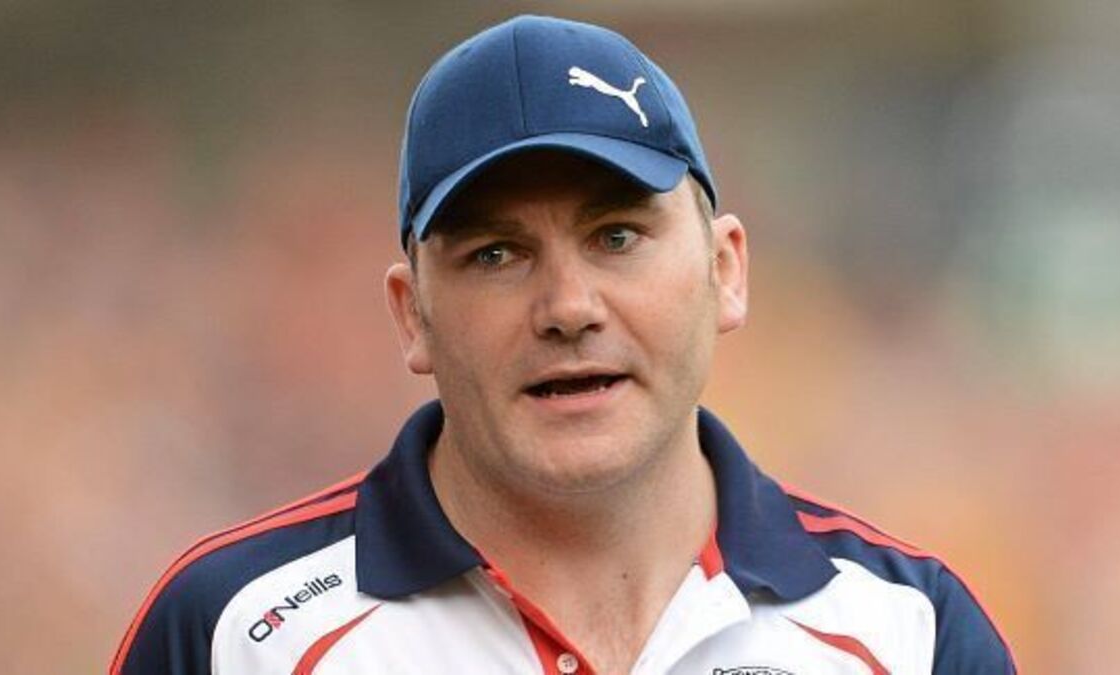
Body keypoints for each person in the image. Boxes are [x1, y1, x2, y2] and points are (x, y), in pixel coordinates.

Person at [111, 15, 1016, 675]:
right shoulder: (231, 633)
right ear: (412, 315)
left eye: (616, 236)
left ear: (725, 269)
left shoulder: (912, 631)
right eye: (495, 254)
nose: (568, 307)